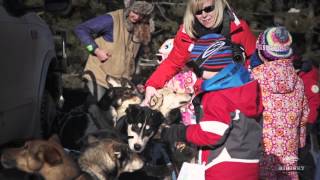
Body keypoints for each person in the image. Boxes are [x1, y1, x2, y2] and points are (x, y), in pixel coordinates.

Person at [141, 0, 257, 106]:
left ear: (218, 6)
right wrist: (152, 85)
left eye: (208, 9)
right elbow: (172, 63)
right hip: (206, 96)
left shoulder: (238, 29)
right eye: (198, 12)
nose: (204, 15)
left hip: (239, 93)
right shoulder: (188, 35)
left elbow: (255, 60)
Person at [250, 26, 309, 179]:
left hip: (262, 153)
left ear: (262, 53)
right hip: (289, 155)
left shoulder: (253, 79)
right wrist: (300, 143)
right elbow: (304, 116)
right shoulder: (299, 81)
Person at [74, 1, 154, 101]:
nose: (137, 17)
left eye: (141, 15)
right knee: (96, 109)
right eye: (135, 12)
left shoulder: (142, 28)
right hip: (99, 77)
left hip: (122, 83)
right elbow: (80, 29)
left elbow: (134, 59)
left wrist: (136, 82)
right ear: (129, 8)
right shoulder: (111, 19)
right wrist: (96, 50)